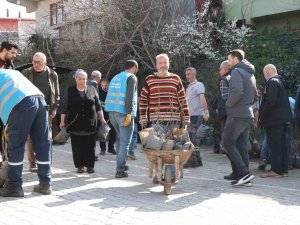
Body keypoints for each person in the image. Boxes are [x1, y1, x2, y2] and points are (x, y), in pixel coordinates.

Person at [0, 69, 52, 197]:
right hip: (40, 100)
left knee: (16, 147)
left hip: (20, 104)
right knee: (42, 145)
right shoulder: (9, 72)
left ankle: (14, 186)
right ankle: (45, 184)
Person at [139, 53, 190, 183]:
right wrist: (143, 117)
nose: (163, 65)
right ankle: (158, 173)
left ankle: (172, 175)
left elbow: (183, 100)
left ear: (169, 64)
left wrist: (186, 116)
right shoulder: (149, 79)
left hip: (174, 120)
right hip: (157, 120)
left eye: (165, 62)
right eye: (160, 63)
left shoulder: (175, 79)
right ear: (156, 65)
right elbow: (143, 100)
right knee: (158, 148)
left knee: (173, 149)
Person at [60, 69, 106, 174]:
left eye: (84, 79)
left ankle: (90, 166)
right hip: (75, 123)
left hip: (90, 123)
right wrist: (62, 121)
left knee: (90, 146)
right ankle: (80, 166)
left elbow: (98, 106)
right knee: (77, 146)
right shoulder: (70, 90)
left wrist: (102, 118)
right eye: (79, 79)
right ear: (76, 79)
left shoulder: (92, 89)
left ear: (87, 79)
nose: (82, 81)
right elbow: (64, 107)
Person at [222, 49, 256, 186]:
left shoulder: (237, 71)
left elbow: (237, 92)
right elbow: (253, 94)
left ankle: (243, 173)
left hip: (237, 114)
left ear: (236, 59)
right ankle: (242, 175)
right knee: (241, 145)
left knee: (227, 143)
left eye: (229, 60)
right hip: (248, 113)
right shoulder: (250, 73)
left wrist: (228, 105)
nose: (228, 63)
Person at [22, 52, 59, 172]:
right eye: (34, 61)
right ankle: (32, 163)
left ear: (45, 63)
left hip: (46, 109)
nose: (35, 64)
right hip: (30, 109)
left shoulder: (53, 74)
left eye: (39, 62)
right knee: (31, 137)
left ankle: (45, 162)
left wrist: (55, 108)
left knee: (46, 137)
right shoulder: (26, 73)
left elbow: (56, 93)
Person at [105, 60, 138, 178]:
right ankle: (120, 170)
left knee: (120, 139)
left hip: (112, 112)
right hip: (124, 113)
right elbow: (129, 96)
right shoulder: (131, 77)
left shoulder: (116, 77)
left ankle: (122, 165)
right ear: (134, 67)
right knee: (125, 142)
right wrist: (129, 113)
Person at [259, 64, 292, 178]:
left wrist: (262, 117)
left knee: (275, 145)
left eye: (264, 75)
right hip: (284, 119)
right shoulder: (282, 81)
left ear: (267, 73)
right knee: (283, 145)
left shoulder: (272, 82)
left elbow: (270, 102)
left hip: (274, 120)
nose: (265, 78)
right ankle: (283, 170)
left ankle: (275, 170)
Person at [184, 67, 208, 168]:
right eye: (186, 74)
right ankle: (198, 161)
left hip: (197, 115)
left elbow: (202, 99)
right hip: (190, 115)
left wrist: (206, 112)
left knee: (192, 138)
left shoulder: (198, 85)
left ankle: (193, 161)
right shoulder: (189, 87)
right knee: (193, 138)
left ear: (194, 74)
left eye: (189, 74)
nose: (187, 76)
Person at [0, 41, 19, 167]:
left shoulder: (11, 67)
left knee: (6, 142)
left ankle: (5, 171)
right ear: (5, 51)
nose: (14, 56)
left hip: (5, 110)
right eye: (12, 52)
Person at [98, 78, 116, 156]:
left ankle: (111, 148)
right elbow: (97, 101)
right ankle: (102, 149)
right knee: (102, 131)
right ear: (100, 84)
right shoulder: (98, 91)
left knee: (113, 131)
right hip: (102, 113)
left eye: (106, 85)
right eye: (103, 84)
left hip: (111, 113)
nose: (104, 86)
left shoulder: (112, 91)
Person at [87, 70, 102, 161]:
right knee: (92, 135)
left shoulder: (85, 81)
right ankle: (91, 155)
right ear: (96, 77)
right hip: (92, 112)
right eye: (99, 79)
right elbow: (96, 99)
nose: (99, 81)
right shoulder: (94, 84)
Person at [216, 60, 231, 153]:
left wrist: (219, 109)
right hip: (233, 110)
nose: (219, 71)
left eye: (220, 69)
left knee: (224, 130)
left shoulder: (223, 79)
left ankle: (226, 148)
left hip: (225, 110)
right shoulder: (233, 77)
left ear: (225, 69)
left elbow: (225, 97)